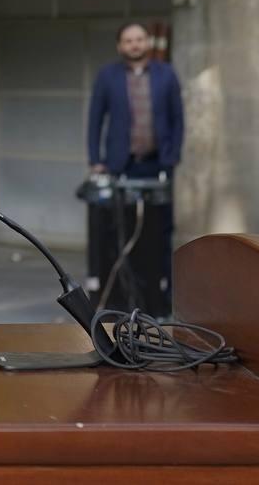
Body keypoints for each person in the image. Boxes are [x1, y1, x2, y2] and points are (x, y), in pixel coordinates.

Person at [85, 22, 185, 308]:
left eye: (139, 39)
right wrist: (95, 160)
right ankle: (122, 297)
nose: (135, 44)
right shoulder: (108, 76)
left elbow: (178, 118)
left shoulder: (166, 74)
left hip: (157, 165)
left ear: (147, 42)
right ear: (120, 46)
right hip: (121, 166)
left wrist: (173, 155)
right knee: (120, 232)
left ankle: (160, 298)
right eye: (128, 40)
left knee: (159, 232)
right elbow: (95, 119)